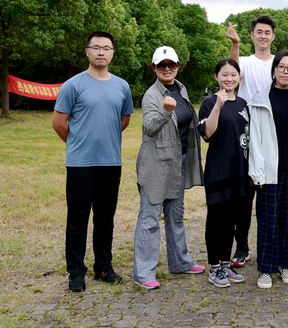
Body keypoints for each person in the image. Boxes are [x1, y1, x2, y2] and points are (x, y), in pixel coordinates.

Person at [52, 31, 134, 292]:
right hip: (80, 164)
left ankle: (103, 267)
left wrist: (104, 139)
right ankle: (76, 272)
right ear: (87, 51)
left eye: (106, 48)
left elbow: (123, 120)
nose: (101, 52)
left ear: (112, 53)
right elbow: (58, 123)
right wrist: (79, 143)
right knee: (78, 219)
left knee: (105, 218)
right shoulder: (73, 85)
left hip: (111, 161)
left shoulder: (122, 86)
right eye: (96, 47)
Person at [225, 15, 288, 267]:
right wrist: (235, 44)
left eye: (267, 32)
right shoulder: (246, 62)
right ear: (252, 35)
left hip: (275, 139)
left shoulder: (282, 64)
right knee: (244, 198)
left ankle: (280, 256)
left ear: (273, 36)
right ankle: (242, 246)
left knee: (273, 203)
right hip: (247, 134)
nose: (263, 36)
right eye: (258, 32)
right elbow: (232, 71)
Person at [133, 46, 205, 290]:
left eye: (171, 64)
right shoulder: (151, 95)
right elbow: (149, 128)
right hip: (155, 164)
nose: (167, 69)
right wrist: (165, 112)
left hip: (178, 161)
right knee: (150, 218)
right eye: (161, 65)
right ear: (154, 68)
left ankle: (180, 262)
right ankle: (143, 273)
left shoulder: (181, 89)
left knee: (175, 215)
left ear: (177, 66)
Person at [248, 51, 288, 289]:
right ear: (274, 70)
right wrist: (257, 173)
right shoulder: (261, 99)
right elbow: (255, 138)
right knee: (268, 220)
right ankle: (266, 268)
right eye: (281, 67)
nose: (285, 71)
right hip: (269, 169)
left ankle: (286, 265)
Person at [198, 58, 249, 288]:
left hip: (239, 171)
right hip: (218, 171)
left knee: (231, 221)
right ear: (216, 77)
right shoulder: (209, 102)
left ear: (239, 77)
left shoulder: (243, 103)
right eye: (224, 75)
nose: (229, 79)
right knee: (216, 220)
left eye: (233, 74)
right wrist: (218, 106)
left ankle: (225, 264)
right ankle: (214, 268)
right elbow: (208, 133)